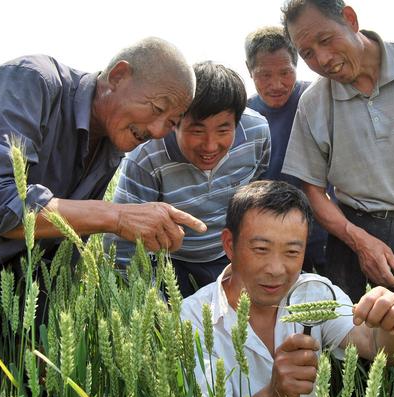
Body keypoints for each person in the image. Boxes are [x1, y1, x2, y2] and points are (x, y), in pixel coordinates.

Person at [0, 37, 207, 280]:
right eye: (158, 108)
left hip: (0, 304)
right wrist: (117, 217)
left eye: (172, 123)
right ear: (118, 76)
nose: (157, 130)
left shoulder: (112, 142)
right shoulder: (32, 81)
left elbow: (58, 249)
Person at [280, 0, 394, 304]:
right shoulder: (313, 103)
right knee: (356, 346)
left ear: (350, 19)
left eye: (326, 40)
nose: (323, 59)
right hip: (352, 240)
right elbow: (312, 190)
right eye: (308, 54)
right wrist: (359, 241)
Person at [181, 180, 394, 397]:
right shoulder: (192, 318)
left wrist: (393, 323)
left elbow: (380, 349)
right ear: (230, 244)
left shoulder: (313, 292)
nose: (276, 269)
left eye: (292, 252)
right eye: (261, 249)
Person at [104, 61, 270, 297]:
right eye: (197, 131)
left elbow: (258, 188)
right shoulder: (146, 158)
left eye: (223, 130)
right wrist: (157, 305)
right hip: (171, 264)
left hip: (230, 256)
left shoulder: (257, 132)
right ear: (175, 122)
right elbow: (120, 248)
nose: (210, 145)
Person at [244, 26, 329, 274]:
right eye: (264, 75)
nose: (276, 84)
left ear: (297, 64)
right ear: (249, 70)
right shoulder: (244, 116)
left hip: (322, 227)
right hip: (271, 233)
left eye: (285, 72)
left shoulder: (317, 98)